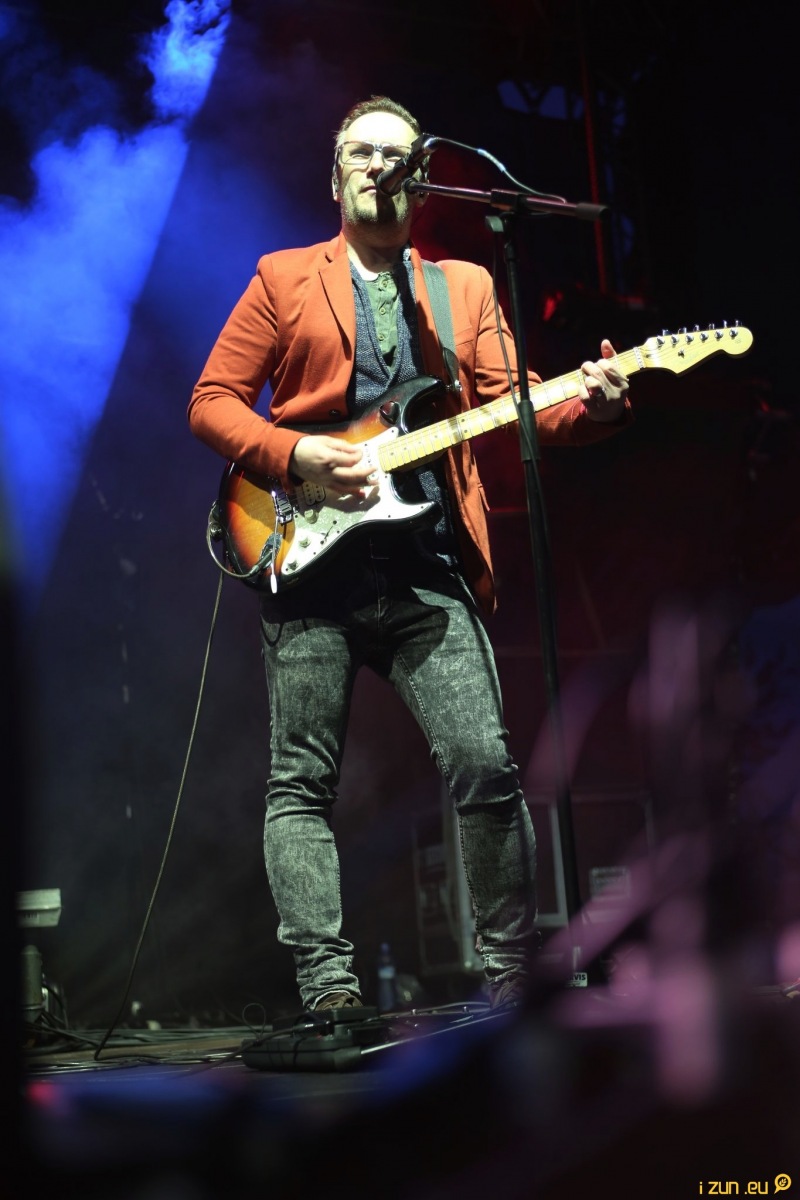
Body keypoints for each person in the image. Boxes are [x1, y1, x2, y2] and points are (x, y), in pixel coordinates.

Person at [188, 95, 630, 1013]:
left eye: (396, 155)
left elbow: (519, 406)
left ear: (420, 181)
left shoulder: (462, 287)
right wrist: (296, 453)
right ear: (336, 176)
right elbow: (213, 401)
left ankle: (513, 981)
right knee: (301, 783)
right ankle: (329, 991)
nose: (378, 165)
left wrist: (593, 405)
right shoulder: (283, 277)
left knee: (487, 767)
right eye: (361, 152)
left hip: (428, 567)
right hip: (309, 562)